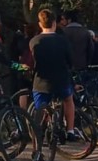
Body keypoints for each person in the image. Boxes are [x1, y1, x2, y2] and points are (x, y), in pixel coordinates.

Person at [30, 9, 77, 141]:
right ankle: (70, 130)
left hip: (41, 81)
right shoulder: (63, 41)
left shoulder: (34, 41)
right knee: (68, 100)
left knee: (41, 107)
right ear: (55, 24)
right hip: (61, 80)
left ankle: (39, 133)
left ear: (40, 24)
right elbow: (70, 61)